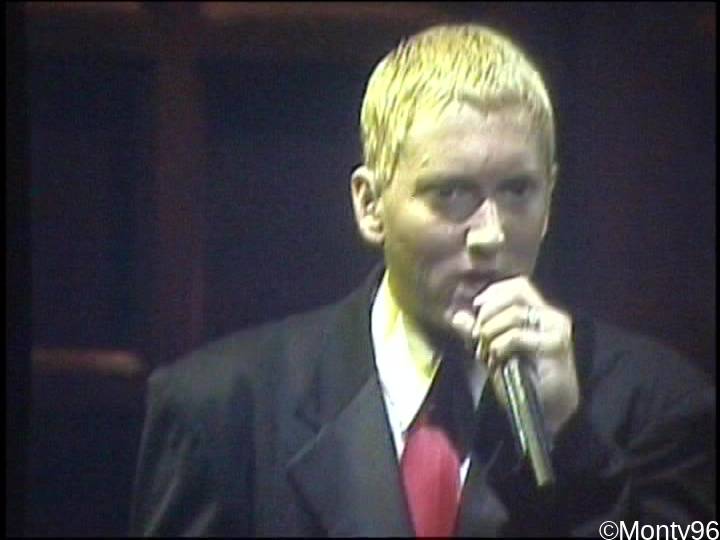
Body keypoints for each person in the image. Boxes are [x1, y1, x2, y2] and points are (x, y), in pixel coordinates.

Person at [130, 24, 715, 536]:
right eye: (451, 193)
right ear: (370, 205)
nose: (490, 235)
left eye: (518, 191)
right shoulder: (220, 411)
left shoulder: (659, 404)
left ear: (551, 195)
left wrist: (571, 447)